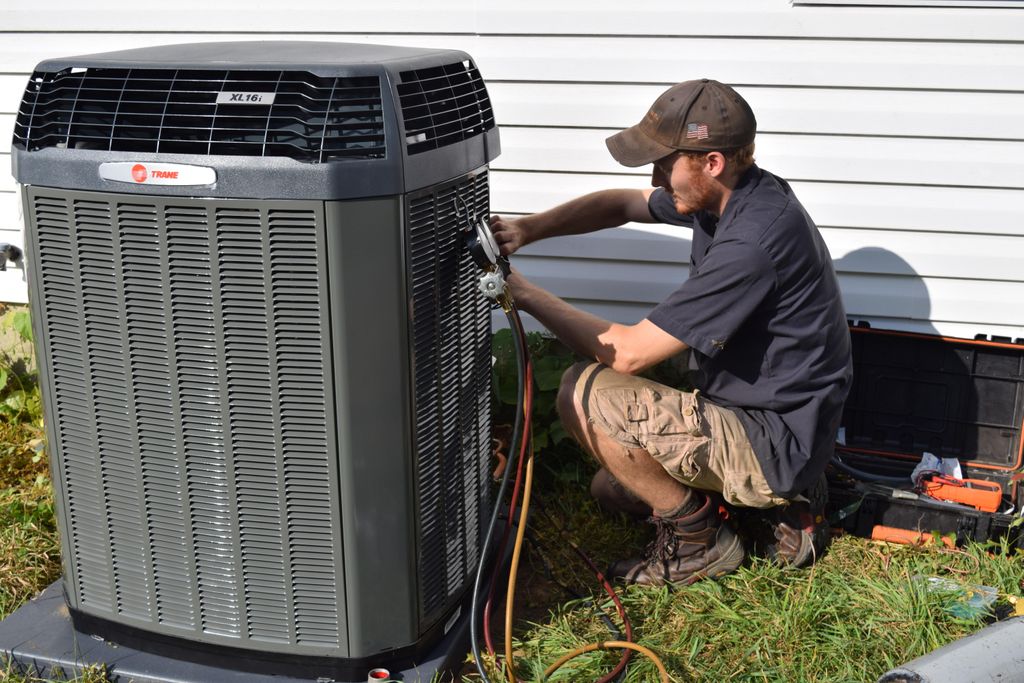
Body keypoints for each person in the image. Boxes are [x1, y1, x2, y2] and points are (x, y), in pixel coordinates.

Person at [490, 79, 853, 586]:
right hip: (765, 415)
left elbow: (629, 354)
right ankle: (767, 511)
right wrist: (529, 229)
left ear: (712, 162)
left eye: (666, 163)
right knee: (611, 488)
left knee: (582, 391)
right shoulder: (733, 195)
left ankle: (701, 541)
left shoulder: (751, 243)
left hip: (774, 438)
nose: (657, 178)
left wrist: (523, 294)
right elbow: (620, 204)